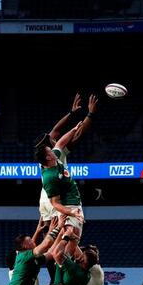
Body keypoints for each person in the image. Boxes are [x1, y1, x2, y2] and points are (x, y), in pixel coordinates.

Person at [36, 95, 98, 245]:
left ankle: (51, 257)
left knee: (51, 237)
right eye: (52, 139)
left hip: (45, 199)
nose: (54, 137)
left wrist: (72, 113)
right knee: (62, 237)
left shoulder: (47, 156)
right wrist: (90, 114)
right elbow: (79, 134)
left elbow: (56, 131)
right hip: (56, 198)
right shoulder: (57, 154)